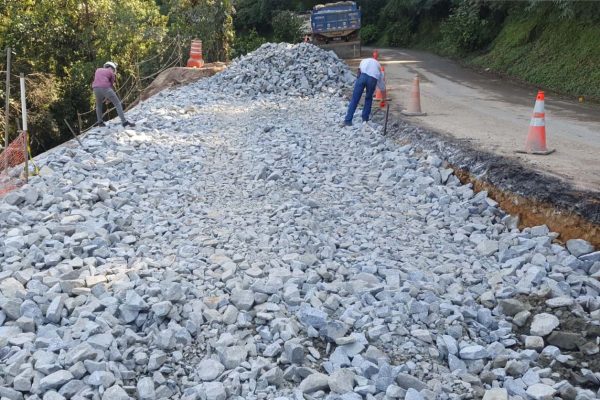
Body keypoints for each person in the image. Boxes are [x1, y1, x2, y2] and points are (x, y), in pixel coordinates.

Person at [343, 57, 386, 126]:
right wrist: (383, 100)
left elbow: (359, 72)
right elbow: (383, 88)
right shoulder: (378, 67)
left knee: (355, 99)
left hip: (362, 77)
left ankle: (348, 120)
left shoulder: (364, 61)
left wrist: (358, 81)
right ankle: (365, 119)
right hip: (372, 79)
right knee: (368, 98)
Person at [92, 61, 135, 127]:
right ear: (113, 68)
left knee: (98, 106)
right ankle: (124, 122)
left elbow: (99, 81)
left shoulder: (98, 70)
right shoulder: (111, 73)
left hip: (95, 88)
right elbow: (110, 86)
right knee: (117, 104)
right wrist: (108, 98)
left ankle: (100, 123)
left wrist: (107, 97)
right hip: (106, 88)